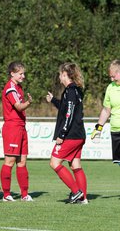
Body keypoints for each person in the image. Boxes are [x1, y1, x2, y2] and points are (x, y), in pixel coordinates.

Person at [46, 62, 87, 204]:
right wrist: (53, 100)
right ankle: (83, 198)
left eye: (60, 74)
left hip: (70, 135)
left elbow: (68, 114)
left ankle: (76, 192)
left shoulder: (70, 91)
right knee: (76, 165)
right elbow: (66, 108)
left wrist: (61, 135)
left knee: (54, 162)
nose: (59, 77)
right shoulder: (77, 90)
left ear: (65, 74)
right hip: (79, 135)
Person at [0, 62, 33, 202]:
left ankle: (24, 194)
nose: (23, 76)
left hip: (21, 127)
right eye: (20, 73)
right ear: (12, 74)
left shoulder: (18, 87)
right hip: (12, 128)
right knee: (10, 161)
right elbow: (18, 107)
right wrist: (28, 103)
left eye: (23, 73)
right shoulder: (10, 88)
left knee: (22, 161)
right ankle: (6, 194)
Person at [91, 60, 120, 165]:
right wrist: (98, 127)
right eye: (110, 77)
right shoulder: (110, 88)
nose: (112, 79)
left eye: (113, 76)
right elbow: (106, 110)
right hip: (116, 132)